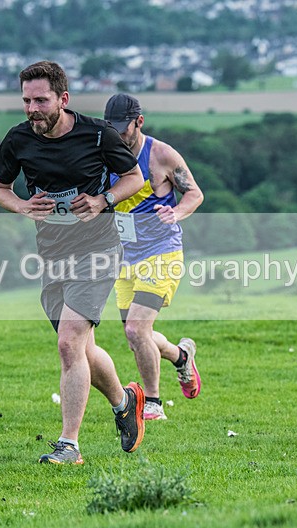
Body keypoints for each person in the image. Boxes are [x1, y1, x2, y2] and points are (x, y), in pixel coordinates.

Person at [0, 61, 147, 464]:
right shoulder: (18, 139)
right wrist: (24, 206)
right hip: (53, 253)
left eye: (40, 100)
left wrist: (102, 200)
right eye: (26, 100)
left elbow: (134, 178)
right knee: (81, 349)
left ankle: (69, 445)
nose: (32, 109)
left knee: (68, 341)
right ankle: (124, 401)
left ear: (63, 99)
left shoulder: (97, 134)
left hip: (98, 247)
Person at [103, 94, 204, 421]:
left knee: (136, 329)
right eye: (112, 129)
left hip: (162, 251)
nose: (118, 135)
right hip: (125, 257)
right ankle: (181, 356)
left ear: (139, 122)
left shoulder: (160, 154)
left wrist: (176, 212)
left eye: (124, 129)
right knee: (136, 335)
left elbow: (195, 194)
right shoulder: (104, 154)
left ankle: (154, 404)